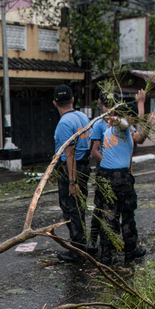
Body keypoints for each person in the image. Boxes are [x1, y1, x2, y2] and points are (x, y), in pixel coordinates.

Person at [89, 89, 150, 264]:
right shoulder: (120, 127)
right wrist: (139, 105)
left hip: (110, 175)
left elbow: (140, 137)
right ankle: (124, 252)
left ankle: (108, 256)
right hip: (119, 178)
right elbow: (130, 130)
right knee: (125, 216)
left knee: (109, 217)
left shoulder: (116, 128)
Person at [52, 84, 93, 262]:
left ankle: (77, 249)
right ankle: (83, 244)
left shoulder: (64, 124)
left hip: (71, 170)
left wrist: (71, 181)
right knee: (80, 206)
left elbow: (69, 154)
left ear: (55, 103)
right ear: (72, 100)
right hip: (84, 165)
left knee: (71, 209)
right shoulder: (83, 117)